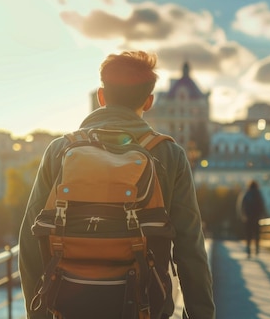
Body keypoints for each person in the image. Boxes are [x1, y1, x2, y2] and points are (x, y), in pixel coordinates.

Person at [18, 51, 215, 319]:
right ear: (149, 102)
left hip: (68, 306)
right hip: (143, 308)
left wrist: (38, 315)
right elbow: (189, 249)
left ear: (101, 97)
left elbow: (30, 241)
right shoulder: (169, 154)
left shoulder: (60, 150)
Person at [238, 180, 266, 258]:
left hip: (248, 217)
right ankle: (256, 248)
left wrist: (243, 215)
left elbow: (241, 205)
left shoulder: (246, 193)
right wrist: (262, 215)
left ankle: (248, 249)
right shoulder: (258, 193)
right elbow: (262, 205)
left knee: (248, 234)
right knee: (256, 233)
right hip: (256, 217)